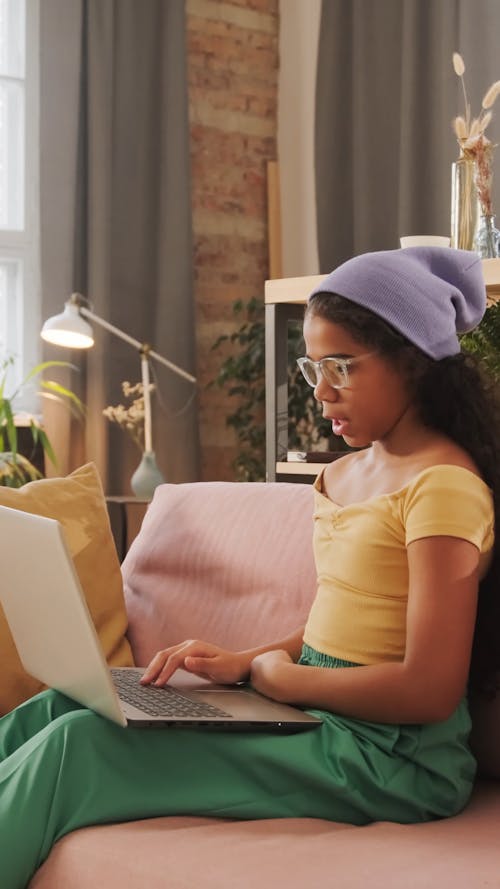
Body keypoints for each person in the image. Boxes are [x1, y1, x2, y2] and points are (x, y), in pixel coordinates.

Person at [1, 246, 500, 889]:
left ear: (413, 360)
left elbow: (429, 690)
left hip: (391, 758)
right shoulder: (345, 473)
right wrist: (249, 661)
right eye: (314, 367)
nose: (321, 391)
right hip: (321, 715)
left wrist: (284, 683)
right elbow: (339, 629)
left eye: (342, 367)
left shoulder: (444, 489)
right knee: (59, 708)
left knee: (79, 749)